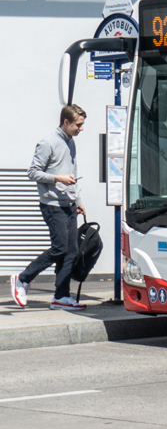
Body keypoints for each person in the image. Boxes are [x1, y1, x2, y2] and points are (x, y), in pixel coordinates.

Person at [12, 104, 88, 310]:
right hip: (52, 205)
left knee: (71, 252)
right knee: (60, 248)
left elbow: (73, 173)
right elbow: (33, 173)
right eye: (78, 125)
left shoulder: (71, 142)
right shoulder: (48, 143)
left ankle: (61, 296)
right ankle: (23, 278)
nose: (81, 129)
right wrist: (57, 178)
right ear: (65, 122)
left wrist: (78, 202)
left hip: (69, 204)